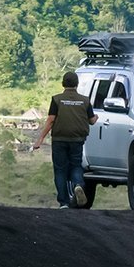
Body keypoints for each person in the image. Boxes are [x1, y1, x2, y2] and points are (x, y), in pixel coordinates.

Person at [32, 71, 97, 208]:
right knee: (76, 166)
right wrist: (96, 117)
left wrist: (40, 139)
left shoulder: (57, 99)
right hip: (77, 140)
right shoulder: (85, 101)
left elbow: (51, 120)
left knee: (60, 170)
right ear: (77, 84)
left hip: (59, 140)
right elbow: (91, 121)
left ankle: (63, 202)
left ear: (63, 84)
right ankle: (78, 185)